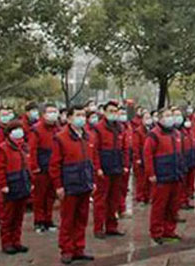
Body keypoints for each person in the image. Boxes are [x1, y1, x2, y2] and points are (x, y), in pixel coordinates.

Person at [50, 106, 96, 264]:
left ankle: (79, 248)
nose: (81, 118)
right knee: (68, 219)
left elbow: (93, 161)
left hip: (85, 183)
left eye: (83, 115)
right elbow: (55, 164)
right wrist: (58, 186)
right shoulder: (61, 137)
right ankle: (67, 249)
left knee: (82, 218)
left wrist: (93, 181)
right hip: (69, 184)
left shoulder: (88, 136)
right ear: (69, 118)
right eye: (78, 115)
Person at [144, 108, 184, 244]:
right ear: (160, 118)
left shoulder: (177, 134)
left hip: (175, 174)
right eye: (167, 116)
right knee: (159, 206)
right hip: (161, 175)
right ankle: (156, 232)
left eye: (171, 116)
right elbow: (148, 155)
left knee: (173, 206)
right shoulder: (153, 135)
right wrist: (151, 174)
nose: (170, 118)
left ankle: (169, 231)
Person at [90, 100, 127, 239]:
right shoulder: (98, 128)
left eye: (115, 111)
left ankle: (112, 226)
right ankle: (99, 228)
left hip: (117, 167)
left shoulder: (120, 127)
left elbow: (124, 149)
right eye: (110, 111)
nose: (113, 114)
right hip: (104, 169)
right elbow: (95, 151)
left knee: (114, 199)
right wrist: (98, 168)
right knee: (101, 200)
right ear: (104, 112)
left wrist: (124, 165)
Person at [0, 119, 31, 254]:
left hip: (22, 184)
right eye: (16, 129)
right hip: (10, 185)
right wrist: (3, 184)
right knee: (7, 217)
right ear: (9, 133)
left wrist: (30, 182)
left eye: (20, 129)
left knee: (18, 217)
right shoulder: (3, 148)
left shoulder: (23, 147)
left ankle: (16, 241)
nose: (19, 132)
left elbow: (28, 166)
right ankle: (7, 243)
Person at [31, 103, 61, 232]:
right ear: (43, 114)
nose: (53, 114)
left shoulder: (58, 129)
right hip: (41, 167)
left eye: (55, 111)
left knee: (51, 196)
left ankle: (48, 220)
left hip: (54, 167)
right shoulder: (36, 129)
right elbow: (32, 150)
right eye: (50, 111)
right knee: (40, 196)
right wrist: (34, 167)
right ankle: (39, 221)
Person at [133, 110, 153, 204]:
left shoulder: (152, 130)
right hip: (141, 157)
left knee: (148, 179)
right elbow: (136, 146)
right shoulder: (138, 131)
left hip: (149, 157)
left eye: (149, 118)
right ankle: (140, 197)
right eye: (146, 118)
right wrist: (137, 158)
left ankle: (148, 196)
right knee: (141, 180)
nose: (148, 120)